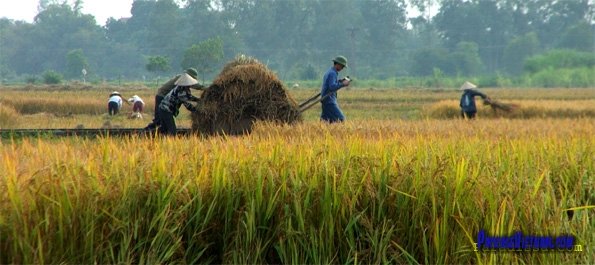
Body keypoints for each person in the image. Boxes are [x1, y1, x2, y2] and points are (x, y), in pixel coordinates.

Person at [320, 56, 350, 123]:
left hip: (325, 98)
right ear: (338, 64)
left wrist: (339, 82)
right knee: (341, 119)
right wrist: (343, 84)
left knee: (325, 120)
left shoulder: (330, 72)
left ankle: (322, 132)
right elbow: (332, 87)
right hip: (329, 100)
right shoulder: (332, 73)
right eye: (342, 66)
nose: (342, 68)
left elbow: (330, 84)